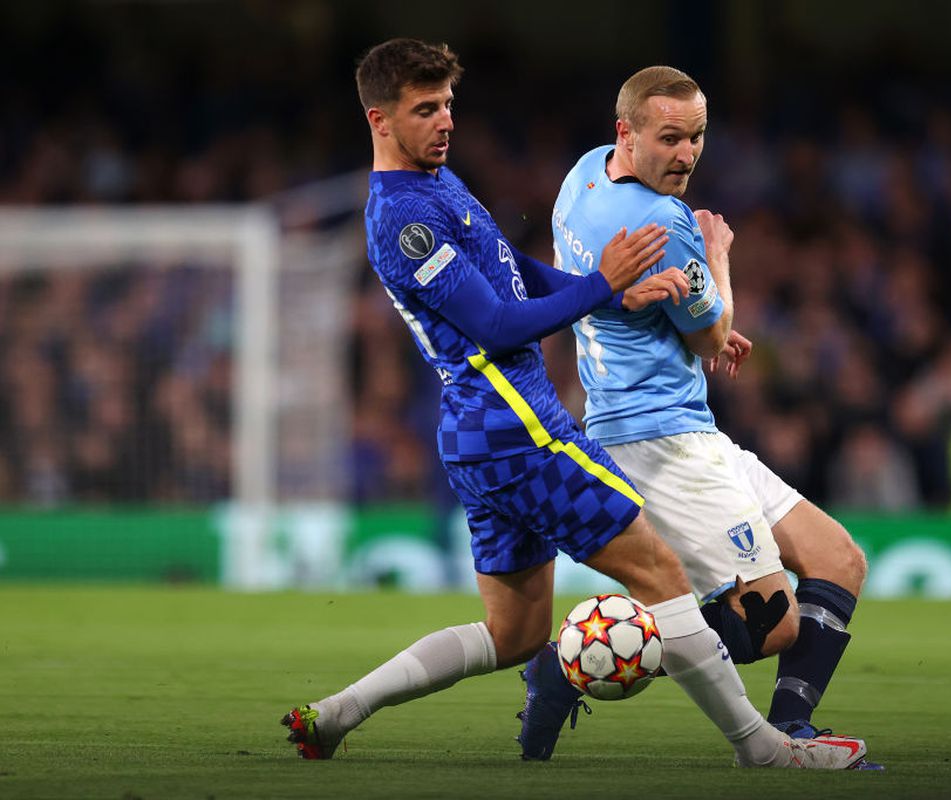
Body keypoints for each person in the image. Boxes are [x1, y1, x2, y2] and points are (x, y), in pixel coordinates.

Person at [281, 38, 867, 771]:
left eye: (448, 107)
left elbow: (516, 271)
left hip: (478, 435)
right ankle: (765, 749)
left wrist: (609, 292)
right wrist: (599, 287)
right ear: (379, 118)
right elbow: (493, 325)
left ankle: (336, 714)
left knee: (513, 634)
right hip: (515, 428)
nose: (444, 123)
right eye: (425, 110)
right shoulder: (405, 219)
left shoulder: (436, 182)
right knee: (662, 574)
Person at [518, 65, 874, 763]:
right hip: (659, 440)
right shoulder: (664, 221)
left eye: (697, 137)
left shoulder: (583, 175)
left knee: (838, 558)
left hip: (671, 426)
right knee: (770, 622)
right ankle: (567, 663)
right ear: (628, 132)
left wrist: (651, 310)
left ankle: (792, 729)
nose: (686, 155)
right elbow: (712, 340)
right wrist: (719, 253)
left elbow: (619, 298)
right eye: (671, 138)